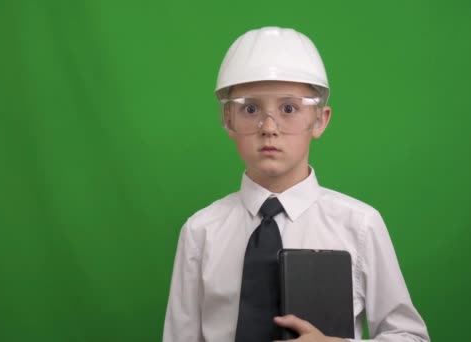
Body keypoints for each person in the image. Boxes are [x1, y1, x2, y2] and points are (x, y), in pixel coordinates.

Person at [163, 26, 430, 342]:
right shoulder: (200, 232)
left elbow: (410, 336)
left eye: (289, 108)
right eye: (250, 108)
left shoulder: (359, 226)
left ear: (320, 120)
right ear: (228, 119)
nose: (269, 127)